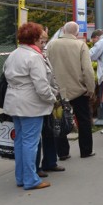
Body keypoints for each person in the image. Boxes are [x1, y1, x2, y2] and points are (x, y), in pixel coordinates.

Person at [3, 22, 57, 190]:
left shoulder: (14, 54)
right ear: (34, 38)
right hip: (31, 104)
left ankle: (21, 177)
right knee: (30, 143)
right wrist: (52, 98)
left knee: (20, 141)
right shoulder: (34, 57)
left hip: (14, 101)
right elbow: (41, 86)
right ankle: (31, 179)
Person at [46, 21, 97, 159]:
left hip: (58, 90)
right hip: (78, 89)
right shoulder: (80, 45)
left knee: (59, 120)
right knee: (84, 120)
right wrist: (91, 89)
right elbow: (87, 69)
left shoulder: (51, 44)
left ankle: (62, 152)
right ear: (77, 33)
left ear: (63, 30)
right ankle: (86, 150)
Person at [35, 30, 65, 176]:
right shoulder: (31, 56)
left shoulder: (43, 53)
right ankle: (36, 167)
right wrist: (52, 97)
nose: (43, 43)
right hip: (38, 102)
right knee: (36, 137)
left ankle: (50, 162)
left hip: (48, 99)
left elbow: (50, 76)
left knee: (50, 132)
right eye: (41, 40)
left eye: (45, 40)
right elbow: (40, 83)